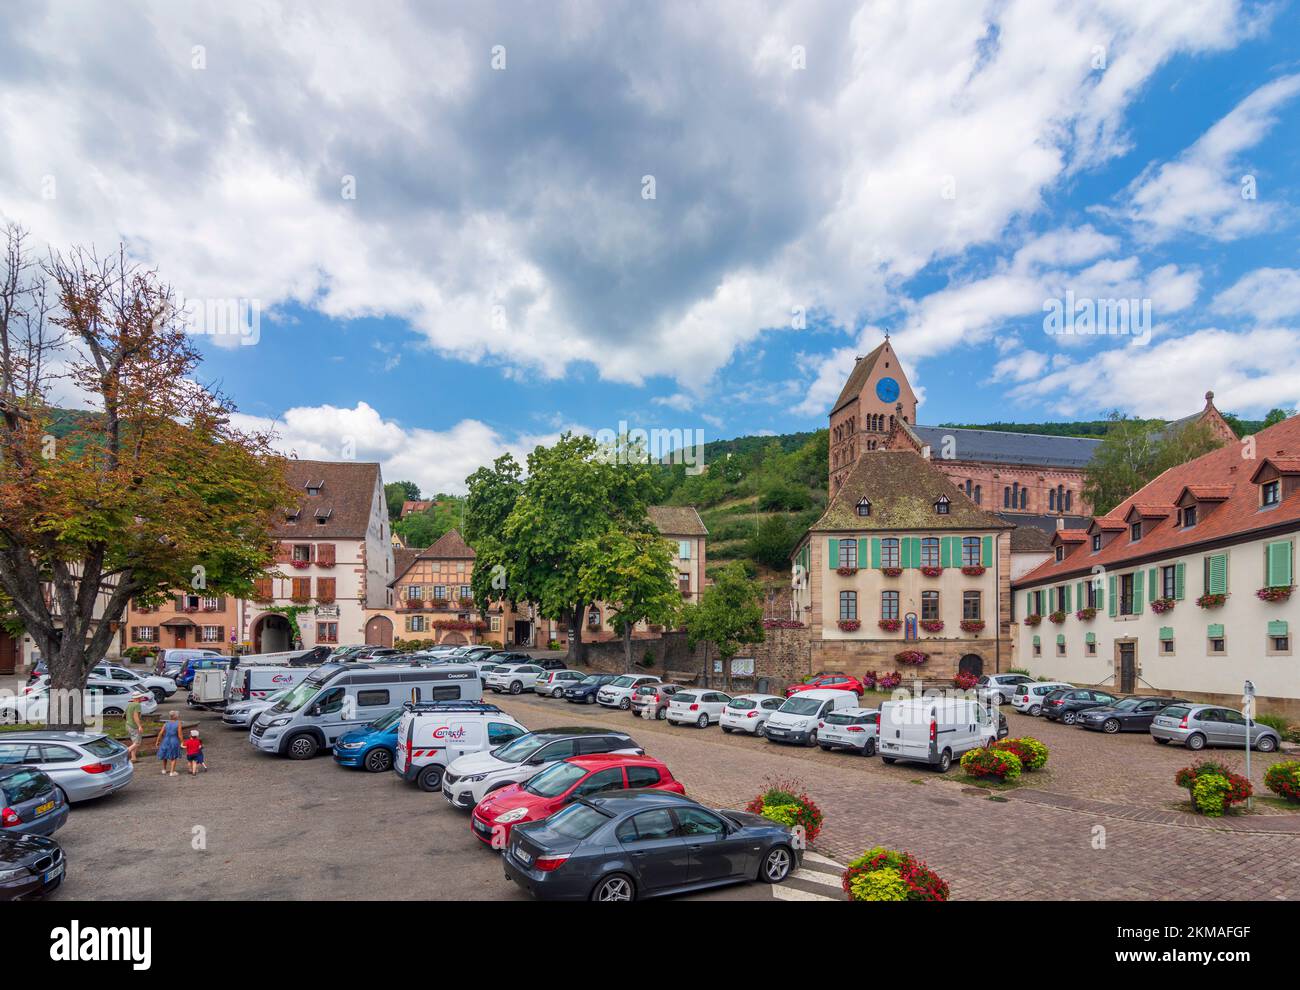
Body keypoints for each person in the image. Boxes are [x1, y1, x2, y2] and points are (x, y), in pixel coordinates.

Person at [155, 711, 183, 776]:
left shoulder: (166, 723)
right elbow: (180, 735)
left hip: (165, 740)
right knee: (173, 756)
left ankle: (164, 770)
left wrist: (157, 741)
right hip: (174, 740)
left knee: (165, 755)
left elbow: (160, 733)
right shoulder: (178, 723)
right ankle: (172, 772)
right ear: (176, 716)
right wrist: (182, 742)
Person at [125, 694, 144, 764]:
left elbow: (124, 715)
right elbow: (135, 716)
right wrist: (139, 726)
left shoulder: (130, 704)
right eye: (141, 697)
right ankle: (124, 753)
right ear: (138, 698)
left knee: (134, 742)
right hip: (134, 726)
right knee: (137, 743)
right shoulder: (137, 705)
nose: (142, 698)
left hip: (128, 725)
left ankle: (133, 758)